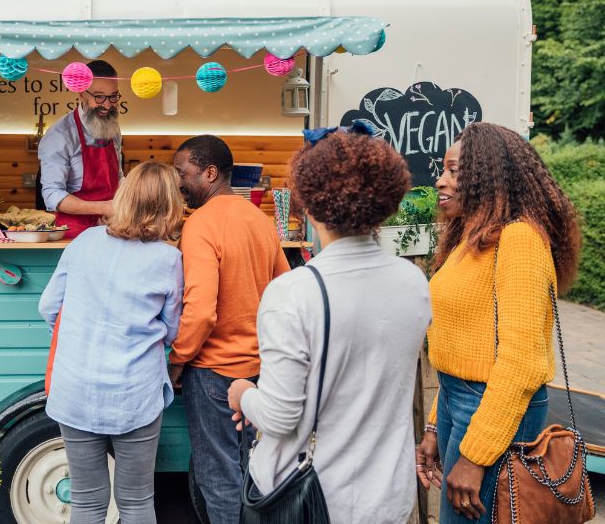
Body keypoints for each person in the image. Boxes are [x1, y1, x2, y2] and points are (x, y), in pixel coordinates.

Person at [227, 122, 431, 523]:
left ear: (310, 203)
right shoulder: (413, 282)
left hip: (313, 498)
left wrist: (243, 396)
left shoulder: (292, 292)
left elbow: (281, 417)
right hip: (389, 494)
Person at [415, 122, 582, 523]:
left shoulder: (519, 240)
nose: (440, 180)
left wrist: (474, 457)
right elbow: (464, 346)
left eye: (455, 171)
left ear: (489, 176)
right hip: (461, 400)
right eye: (443, 169)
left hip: (494, 408)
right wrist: (437, 425)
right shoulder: (470, 239)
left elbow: (521, 363)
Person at [39, 161, 185, 524]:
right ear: (170, 206)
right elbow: (172, 330)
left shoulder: (85, 241)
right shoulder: (169, 259)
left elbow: (48, 307)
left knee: (87, 503)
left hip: (74, 388)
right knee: (136, 502)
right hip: (134, 392)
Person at [169, 134, 289, 524]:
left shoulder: (200, 224)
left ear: (209, 172)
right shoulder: (260, 219)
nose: (178, 182)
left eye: (182, 173)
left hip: (213, 372)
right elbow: (283, 292)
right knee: (252, 474)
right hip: (259, 371)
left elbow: (201, 312)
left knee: (218, 479)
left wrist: (177, 360)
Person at [38, 59, 124, 239]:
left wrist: (128, 200)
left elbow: (118, 177)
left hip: (112, 229)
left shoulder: (112, 128)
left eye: (113, 96)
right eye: (99, 96)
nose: (107, 105)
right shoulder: (60, 135)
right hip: (73, 235)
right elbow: (52, 195)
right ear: (81, 94)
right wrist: (104, 208)